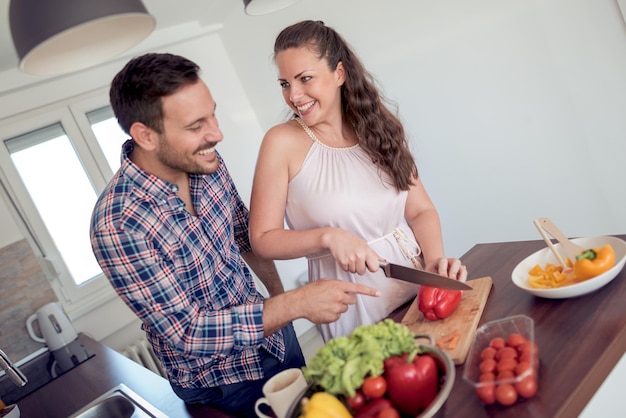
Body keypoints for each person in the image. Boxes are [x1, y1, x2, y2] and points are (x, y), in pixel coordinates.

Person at [89, 52, 379, 417]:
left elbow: (245, 238)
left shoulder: (206, 162)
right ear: (145, 135)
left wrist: (279, 304)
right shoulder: (119, 224)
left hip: (275, 340)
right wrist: (295, 303)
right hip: (222, 384)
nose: (216, 133)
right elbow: (188, 332)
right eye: (196, 126)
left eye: (213, 114)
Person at [249, 20, 468, 342]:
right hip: (351, 303)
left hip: (417, 290)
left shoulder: (379, 128)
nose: (294, 95)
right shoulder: (280, 142)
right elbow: (263, 238)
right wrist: (328, 237)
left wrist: (435, 262)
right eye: (284, 83)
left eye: (305, 79)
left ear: (339, 73)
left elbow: (420, 210)